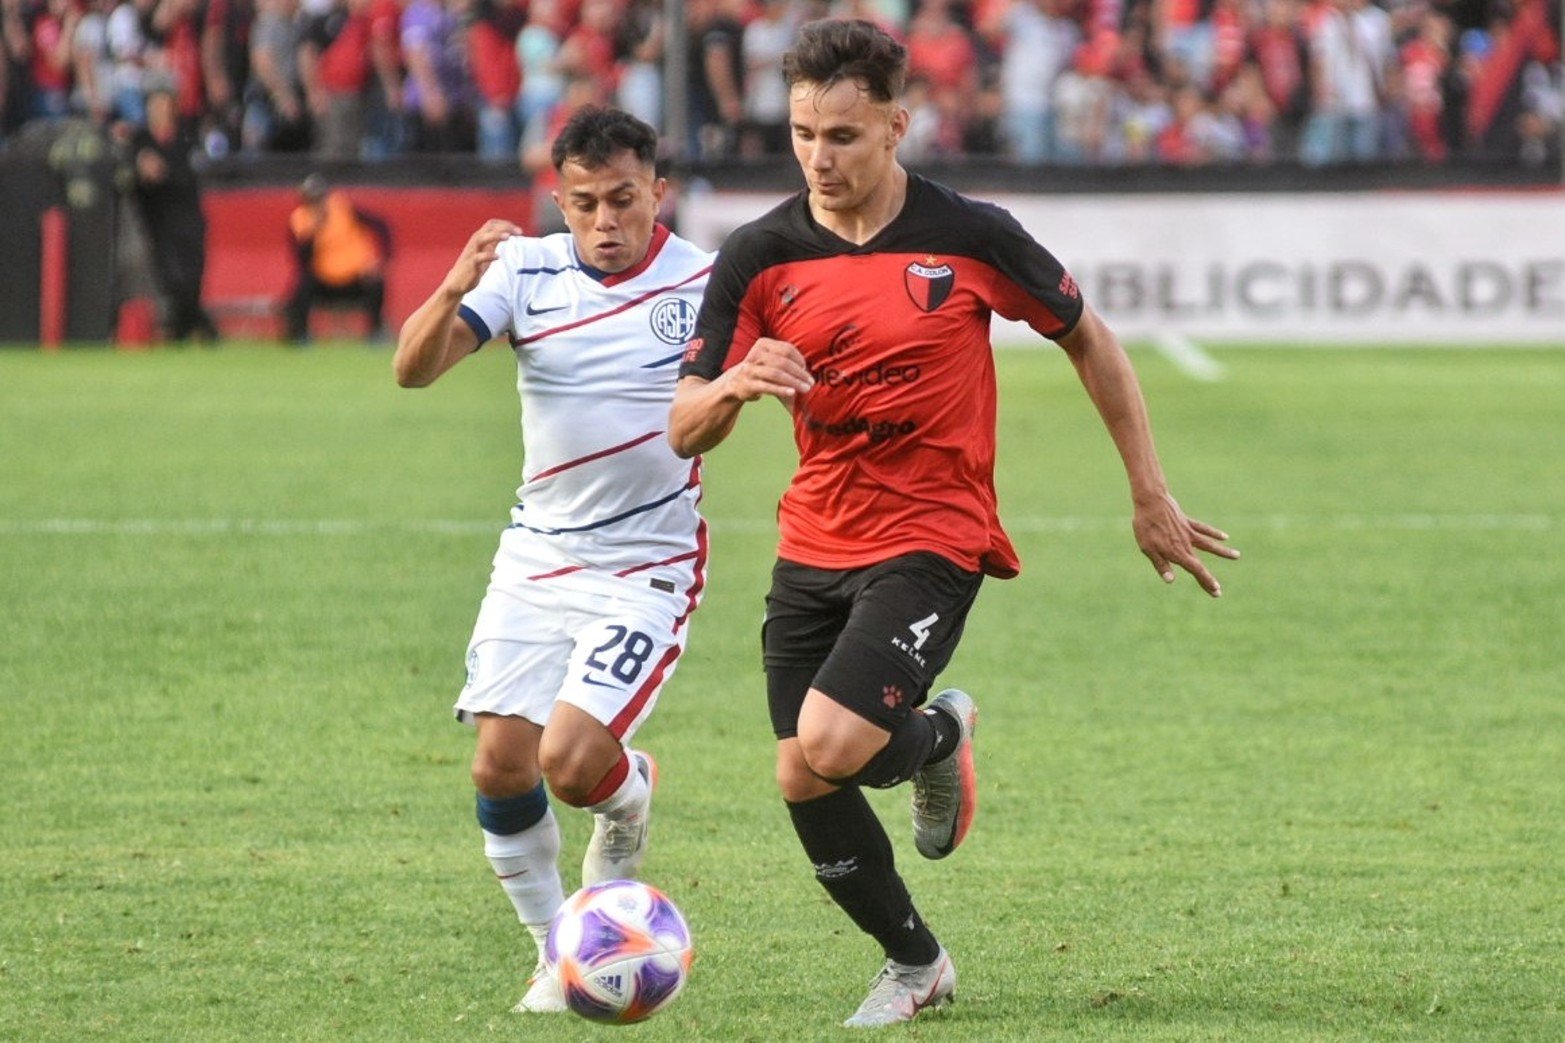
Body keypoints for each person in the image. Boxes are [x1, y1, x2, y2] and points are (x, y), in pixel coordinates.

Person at [669, 18, 1238, 1029]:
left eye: (841, 135)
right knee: (801, 769)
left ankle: (929, 734)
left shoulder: (966, 232)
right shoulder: (757, 255)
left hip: (934, 529)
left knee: (832, 738)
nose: (818, 156)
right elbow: (682, 426)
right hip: (813, 535)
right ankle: (915, 954)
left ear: (896, 124)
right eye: (802, 132)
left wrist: (1147, 490)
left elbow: (1086, 336)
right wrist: (736, 386)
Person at [393, 105, 712, 1015]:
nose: (604, 221)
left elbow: (720, 411)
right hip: (538, 552)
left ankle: (625, 789)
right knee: (499, 764)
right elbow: (413, 370)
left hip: (648, 559)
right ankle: (557, 953)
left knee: (572, 765)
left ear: (659, 191)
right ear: (558, 199)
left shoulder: (707, 280)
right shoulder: (523, 268)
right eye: (582, 203)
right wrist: (455, 284)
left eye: (622, 199)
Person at [131, 87, 219, 342]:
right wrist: (140, 167)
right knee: (168, 278)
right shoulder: (141, 141)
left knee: (190, 279)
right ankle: (196, 328)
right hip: (156, 220)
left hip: (187, 218)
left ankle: (188, 327)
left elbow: (188, 174)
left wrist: (162, 172)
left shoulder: (186, 138)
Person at [285, 174, 390, 343]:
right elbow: (302, 261)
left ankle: (376, 332)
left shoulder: (343, 208)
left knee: (376, 282)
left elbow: (381, 225)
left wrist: (384, 258)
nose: (317, 204)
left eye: (320, 198)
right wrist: (313, 232)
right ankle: (300, 334)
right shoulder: (300, 220)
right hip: (324, 282)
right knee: (302, 285)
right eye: (312, 200)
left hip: (355, 278)